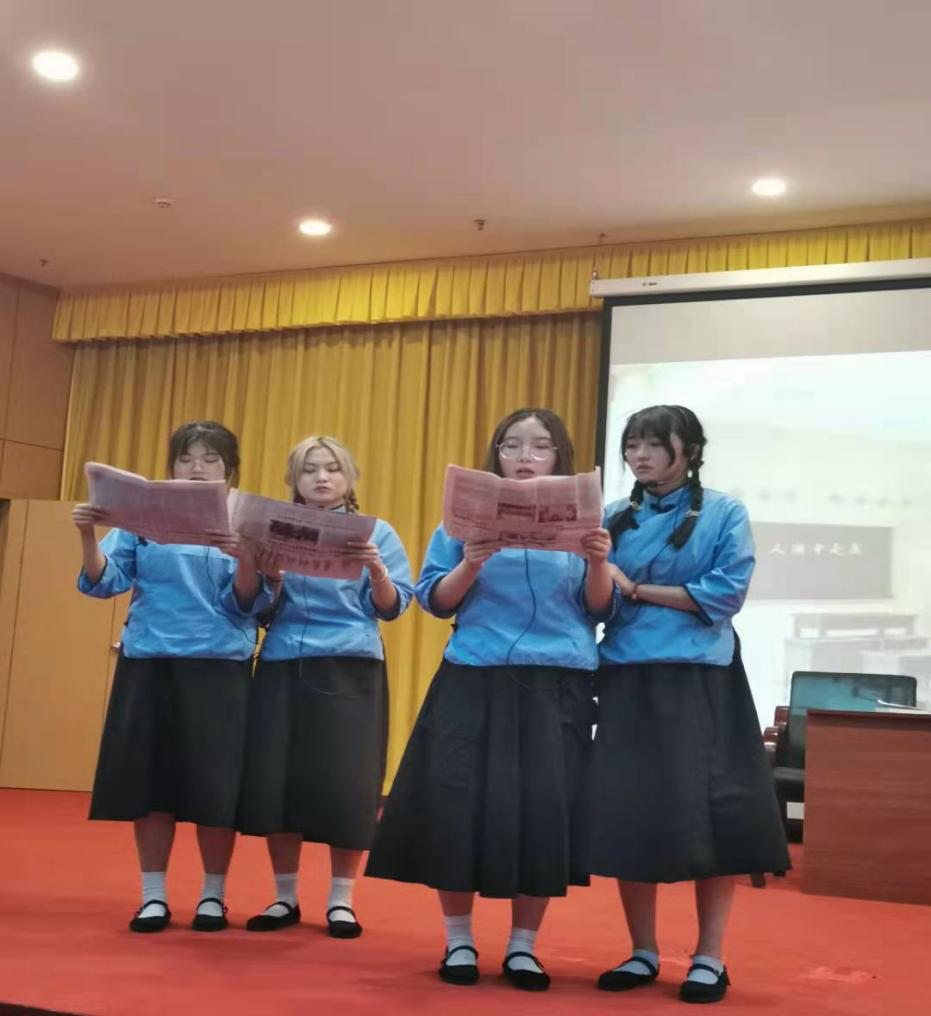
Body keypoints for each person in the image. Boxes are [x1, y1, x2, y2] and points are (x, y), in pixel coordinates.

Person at [366, 408, 614, 991]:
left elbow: (600, 608)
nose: (525, 457)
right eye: (511, 445)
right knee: (457, 806)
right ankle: (459, 940)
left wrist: (599, 560)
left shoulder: (588, 523)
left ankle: (523, 947)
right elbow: (436, 601)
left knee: (542, 812)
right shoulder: (462, 522)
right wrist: (473, 559)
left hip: (558, 682)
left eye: (540, 446)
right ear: (495, 455)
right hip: (475, 676)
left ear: (560, 457)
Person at [586, 404, 790, 1004]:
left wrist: (637, 588)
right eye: (632, 445)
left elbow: (725, 595)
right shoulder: (612, 516)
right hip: (626, 674)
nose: (639, 456)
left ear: (690, 451)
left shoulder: (725, 512)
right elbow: (596, 603)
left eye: (654, 444)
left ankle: (710, 957)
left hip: (703, 678)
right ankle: (642, 951)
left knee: (714, 815)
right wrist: (598, 570)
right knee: (630, 814)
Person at [73, 420, 270, 933]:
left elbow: (249, 603)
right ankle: (153, 897)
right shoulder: (142, 515)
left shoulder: (245, 518)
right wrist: (87, 533)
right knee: (151, 784)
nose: (197, 468)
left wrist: (244, 557)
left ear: (230, 469)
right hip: (150, 662)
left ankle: (213, 897)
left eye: (210, 458)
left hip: (220, 668)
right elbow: (105, 581)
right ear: (172, 465)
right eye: (187, 458)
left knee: (216, 788)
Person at [237, 436, 413, 938]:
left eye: (332, 469)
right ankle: (284, 898)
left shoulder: (376, 531)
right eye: (309, 469)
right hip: (283, 662)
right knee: (279, 782)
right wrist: (270, 577)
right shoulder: (272, 530)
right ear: (293, 481)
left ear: (349, 477)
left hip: (351, 663)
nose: (321, 478)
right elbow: (254, 610)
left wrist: (376, 568)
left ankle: (341, 901)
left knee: (349, 785)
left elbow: (394, 606)